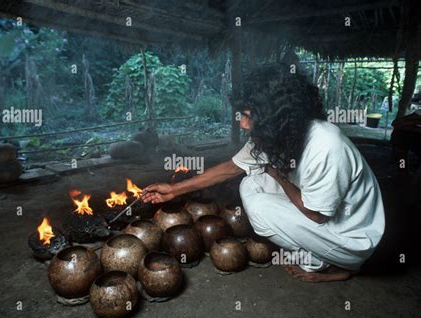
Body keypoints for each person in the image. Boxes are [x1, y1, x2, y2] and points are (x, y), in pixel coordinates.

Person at [142, 64, 385, 283]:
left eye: (248, 115)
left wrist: (277, 175)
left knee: (259, 205)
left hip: (351, 237)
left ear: (275, 115)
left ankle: (334, 264)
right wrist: (173, 190)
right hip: (320, 215)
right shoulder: (277, 133)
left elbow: (317, 214)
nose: (242, 124)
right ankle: (318, 254)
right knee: (251, 183)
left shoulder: (326, 144)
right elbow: (231, 167)